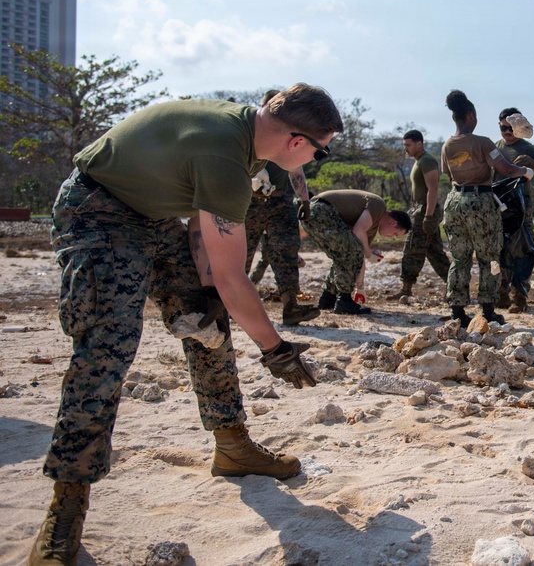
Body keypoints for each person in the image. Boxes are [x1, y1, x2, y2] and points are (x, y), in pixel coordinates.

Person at [31, 85, 341, 565]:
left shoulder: (248, 136)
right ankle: (66, 506)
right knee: (107, 346)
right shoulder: (225, 153)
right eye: (321, 151)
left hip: (153, 216)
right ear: (298, 141)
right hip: (97, 211)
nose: (314, 162)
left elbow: (204, 225)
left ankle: (232, 445)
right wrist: (275, 348)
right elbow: (234, 275)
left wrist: (207, 293)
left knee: (205, 320)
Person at [441, 90, 534, 328]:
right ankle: (488, 310)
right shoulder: (482, 142)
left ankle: (457, 311)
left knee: (459, 258)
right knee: (488, 257)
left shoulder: (446, 145)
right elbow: (506, 169)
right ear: (471, 115)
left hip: (454, 201)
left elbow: (448, 174)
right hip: (480, 201)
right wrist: (526, 172)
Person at [243, 91, 320, 327]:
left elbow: (296, 171)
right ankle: (224, 305)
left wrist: (305, 201)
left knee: (286, 255)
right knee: (239, 256)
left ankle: (291, 307)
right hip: (249, 202)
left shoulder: (289, 137)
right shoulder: (249, 132)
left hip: (280, 203)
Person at [300, 189, 410, 315]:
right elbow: (358, 233)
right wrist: (369, 254)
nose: (392, 237)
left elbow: (359, 257)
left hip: (311, 214)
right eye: (395, 234)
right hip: (319, 210)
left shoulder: (370, 227)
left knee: (342, 254)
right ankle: (344, 301)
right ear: (393, 222)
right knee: (351, 250)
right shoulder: (379, 206)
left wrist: (360, 288)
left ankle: (328, 298)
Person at [494, 108, 534, 313]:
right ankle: (500, 293)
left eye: (511, 128)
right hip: (499, 204)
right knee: (499, 250)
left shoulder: (528, 149)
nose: (507, 132)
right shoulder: (494, 149)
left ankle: (519, 296)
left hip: (522, 205)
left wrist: (533, 164)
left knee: (524, 249)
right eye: (503, 127)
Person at [389, 130, 451, 300]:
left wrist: (428, 216)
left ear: (419, 144)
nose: (406, 149)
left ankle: (406, 289)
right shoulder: (418, 161)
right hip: (420, 209)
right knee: (434, 251)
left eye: (408, 145)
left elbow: (433, 189)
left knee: (411, 249)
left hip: (425, 210)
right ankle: (456, 286)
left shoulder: (427, 160)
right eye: (404, 145)